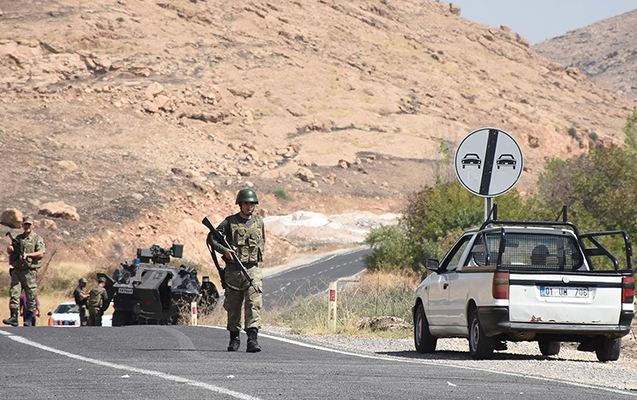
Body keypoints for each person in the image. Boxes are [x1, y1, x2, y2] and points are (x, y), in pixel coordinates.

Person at [207, 188, 265, 353]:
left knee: (254, 304)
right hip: (233, 271)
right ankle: (234, 338)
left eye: (252, 203)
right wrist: (225, 251)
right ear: (240, 204)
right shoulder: (229, 222)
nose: (249, 206)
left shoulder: (259, 222)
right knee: (233, 307)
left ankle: (252, 339)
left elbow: (262, 242)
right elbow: (211, 238)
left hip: (252, 269)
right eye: (246, 203)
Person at [3, 216, 45, 327]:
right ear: (22, 225)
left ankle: (29, 318)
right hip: (17, 270)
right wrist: (11, 248)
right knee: (14, 293)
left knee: (30, 295)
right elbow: (10, 250)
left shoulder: (37, 239)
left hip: (29, 271)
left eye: (29, 225)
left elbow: (41, 253)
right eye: (25, 224)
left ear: (33, 226)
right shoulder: (18, 238)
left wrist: (27, 255)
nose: (27, 226)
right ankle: (14, 317)